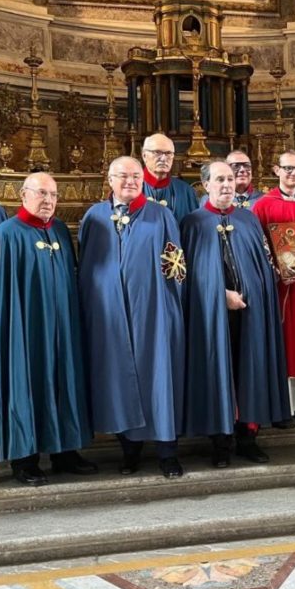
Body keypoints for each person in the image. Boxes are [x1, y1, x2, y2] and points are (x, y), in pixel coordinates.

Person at [0, 173, 96, 486]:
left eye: (53, 195)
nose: (48, 201)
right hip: (25, 330)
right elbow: (1, 294)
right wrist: (14, 331)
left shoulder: (58, 229)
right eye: (41, 194)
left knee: (63, 382)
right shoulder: (7, 234)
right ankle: (25, 459)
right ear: (24, 195)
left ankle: (65, 452)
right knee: (26, 385)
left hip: (62, 327)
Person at [78, 156, 186, 478]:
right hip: (109, 317)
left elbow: (175, 266)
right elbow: (86, 269)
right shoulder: (94, 217)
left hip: (153, 314)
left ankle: (168, 452)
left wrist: (170, 312)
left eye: (136, 176)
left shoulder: (160, 214)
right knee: (117, 378)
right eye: (122, 176)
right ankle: (129, 451)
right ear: (109, 179)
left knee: (159, 378)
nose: (130, 181)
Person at [182, 161, 292, 466]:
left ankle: (248, 437)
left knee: (250, 370)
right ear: (205, 185)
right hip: (212, 316)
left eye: (230, 178)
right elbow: (188, 275)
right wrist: (220, 294)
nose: (227, 184)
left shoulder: (247, 219)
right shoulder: (192, 223)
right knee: (219, 371)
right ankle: (220, 441)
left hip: (251, 312)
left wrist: (258, 290)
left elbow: (262, 263)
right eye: (220, 179)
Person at [252, 150, 295, 425]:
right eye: (289, 169)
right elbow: (256, 246)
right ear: (276, 170)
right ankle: (283, 407)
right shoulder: (263, 205)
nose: (294, 175)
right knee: (283, 341)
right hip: (280, 288)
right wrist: (276, 272)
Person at [140, 133, 199, 222]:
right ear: (144, 156)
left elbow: (194, 228)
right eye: (157, 152)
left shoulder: (186, 191)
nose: (163, 158)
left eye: (168, 153)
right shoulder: (132, 187)